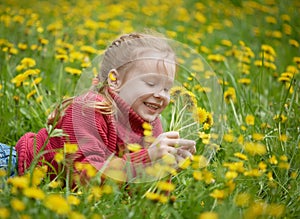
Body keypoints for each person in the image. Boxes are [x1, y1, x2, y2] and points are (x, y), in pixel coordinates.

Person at [1, 33, 196, 184]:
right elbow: (82, 177)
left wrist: (164, 168)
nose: (161, 94)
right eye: (151, 83)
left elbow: (136, 188)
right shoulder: (88, 110)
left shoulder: (151, 125)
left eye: (167, 88)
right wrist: (147, 157)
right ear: (115, 81)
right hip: (17, 168)